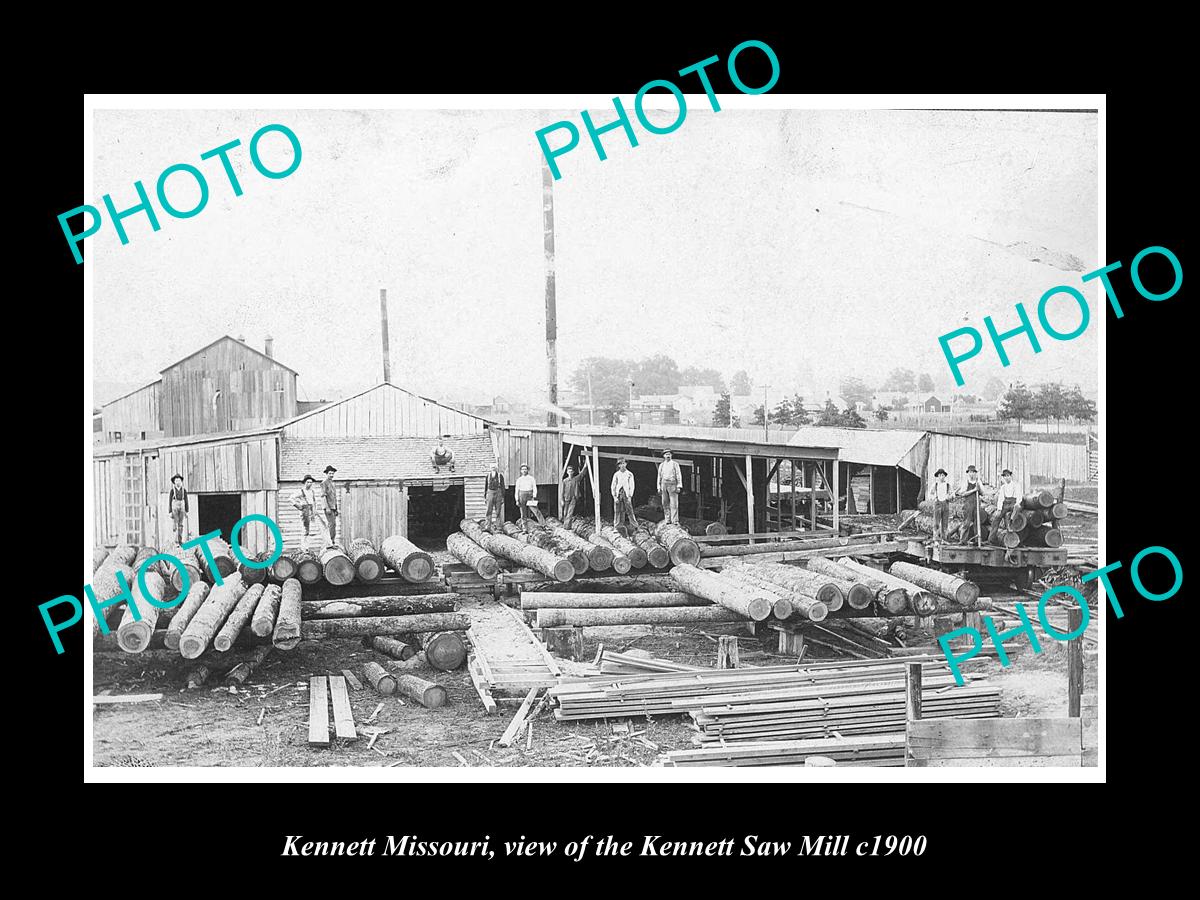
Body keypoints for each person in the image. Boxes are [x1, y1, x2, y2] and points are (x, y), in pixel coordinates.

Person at [957, 465, 982, 545]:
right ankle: (963, 540)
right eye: (970, 472)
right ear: (968, 473)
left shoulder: (978, 482)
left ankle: (976, 540)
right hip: (968, 504)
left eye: (973, 472)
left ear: (975, 473)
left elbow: (983, 493)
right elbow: (962, 493)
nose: (972, 474)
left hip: (976, 503)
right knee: (966, 522)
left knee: (977, 522)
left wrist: (979, 489)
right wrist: (973, 490)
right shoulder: (966, 482)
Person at [657, 449, 683, 525]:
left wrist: (679, 486)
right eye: (666, 454)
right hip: (664, 484)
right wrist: (658, 487)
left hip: (672, 483)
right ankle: (667, 519)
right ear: (663, 456)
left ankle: (675, 520)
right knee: (665, 502)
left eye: (669, 454)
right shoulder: (661, 465)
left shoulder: (675, 464)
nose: (668, 456)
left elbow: (678, 475)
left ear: (671, 455)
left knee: (674, 503)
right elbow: (659, 476)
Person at [611, 458, 636, 529]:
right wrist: (614, 496)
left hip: (626, 494)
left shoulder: (629, 474)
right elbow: (613, 485)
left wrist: (630, 496)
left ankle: (634, 526)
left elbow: (632, 485)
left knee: (629, 510)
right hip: (618, 493)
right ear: (618, 466)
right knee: (617, 510)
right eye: (620, 464)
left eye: (623, 463)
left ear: (626, 464)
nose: (622, 465)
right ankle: (617, 526)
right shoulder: (616, 474)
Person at [292, 474, 318, 544]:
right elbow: (291, 498)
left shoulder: (312, 491)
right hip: (304, 511)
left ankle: (307, 546)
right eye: (308, 482)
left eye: (310, 482)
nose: (309, 484)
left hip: (311, 510)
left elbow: (314, 501)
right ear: (304, 483)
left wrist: (314, 511)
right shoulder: (301, 491)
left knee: (309, 529)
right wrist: (298, 506)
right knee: (304, 529)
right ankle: (303, 547)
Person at [928, 468, 951, 544]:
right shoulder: (935, 485)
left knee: (945, 523)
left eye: (943, 475)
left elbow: (952, 495)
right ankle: (936, 540)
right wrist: (933, 497)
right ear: (938, 476)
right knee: (936, 523)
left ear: (945, 476)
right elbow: (930, 494)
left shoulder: (948, 485)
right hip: (937, 504)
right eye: (940, 475)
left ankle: (944, 539)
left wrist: (949, 496)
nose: (941, 477)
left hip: (946, 504)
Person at [168, 474, 189, 544]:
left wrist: (187, 510)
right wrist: (170, 511)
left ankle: (180, 541)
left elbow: (186, 500)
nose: (178, 482)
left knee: (181, 524)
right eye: (176, 480)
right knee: (175, 523)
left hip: (182, 507)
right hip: (175, 507)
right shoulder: (172, 491)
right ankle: (176, 541)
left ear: (181, 482)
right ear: (174, 482)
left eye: (179, 480)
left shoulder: (184, 491)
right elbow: (170, 501)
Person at [322, 465, 340, 546]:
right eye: (330, 473)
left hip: (333, 508)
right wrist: (327, 507)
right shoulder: (324, 483)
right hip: (328, 507)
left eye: (332, 473)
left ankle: (332, 541)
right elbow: (323, 496)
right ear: (326, 474)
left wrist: (336, 509)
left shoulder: (333, 483)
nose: (331, 475)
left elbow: (334, 497)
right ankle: (329, 542)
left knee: (334, 524)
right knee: (331, 524)